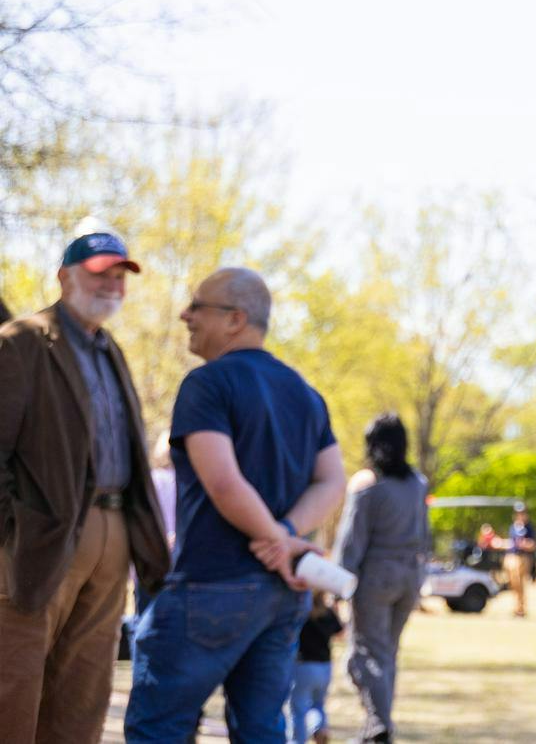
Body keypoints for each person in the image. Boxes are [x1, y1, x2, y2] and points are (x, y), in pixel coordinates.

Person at [125, 267, 346, 744]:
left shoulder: (206, 385)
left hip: (211, 585)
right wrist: (285, 537)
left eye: (196, 306)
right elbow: (332, 482)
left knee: (156, 727)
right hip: (282, 596)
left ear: (234, 319)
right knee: (262, 729)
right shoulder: (307, 396)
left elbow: (223, 482)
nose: (186, 315)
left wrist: (277, 539)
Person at [0, 231, 171, 744]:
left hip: (114, 532)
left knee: (83, 694)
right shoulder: (22, 341)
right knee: (14, 687)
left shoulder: (108, 348)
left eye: (119, 274)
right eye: (99, 271)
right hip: (39, 536)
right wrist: (15, 528)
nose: (112, 283)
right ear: (64, 275)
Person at [334, 413, 431, 742]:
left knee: (365, 655)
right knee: (386, 653)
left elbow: (351, 541)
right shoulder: (417, 483)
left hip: (376, 579)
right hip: (409, 577)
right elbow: (424, 534)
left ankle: (378, 727)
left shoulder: (367, 484)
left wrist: (336, 584)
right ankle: (375, 727)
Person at [287, 593, 342, 744]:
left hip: (303, 665)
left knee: (297, 709)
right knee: (317, 704)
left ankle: (297, 740)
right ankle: (319, 728)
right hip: (325, 666)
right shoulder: (328, 612)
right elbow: (340, 632)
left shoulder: (300, 612)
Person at [504, 504, 536, 617]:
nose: (520, 515)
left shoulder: (529, 528)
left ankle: (521, 608)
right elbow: (511, 542)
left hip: (523, 557)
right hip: (511, 556)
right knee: (513, 583)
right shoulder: (513, 527)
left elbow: (533, 544)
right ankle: (516, 606)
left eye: (522, 513)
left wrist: (525, 544)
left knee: (520, 582)